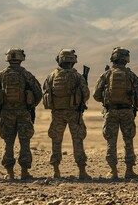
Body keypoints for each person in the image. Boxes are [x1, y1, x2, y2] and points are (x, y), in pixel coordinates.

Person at [0, 48, 42, 180]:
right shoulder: (26, 74)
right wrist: (30, 106)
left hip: (6, 113)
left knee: (8, 142)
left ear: (7, 58)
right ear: (21, 59)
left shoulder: (0, 75)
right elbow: (38, 93)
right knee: (25, 142)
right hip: (23, 113)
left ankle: (10, 173)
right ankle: (24, 172)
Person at [93, 47, 138, 179]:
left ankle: (113, 171)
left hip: (111, 111)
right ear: (126, 59)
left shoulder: (106, 74)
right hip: (127, 111)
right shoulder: (131, 75)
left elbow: (96, 95)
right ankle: (129, 170)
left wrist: (106, 99)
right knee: (128, 140)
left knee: (111, 141)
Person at [43, 49, 91, 179]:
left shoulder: (52, 76)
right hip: (74, 114)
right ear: (73, 61)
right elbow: (86, 94)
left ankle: (56, 170)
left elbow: (46, 92)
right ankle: (82, 171)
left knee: (56, 140)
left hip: (57, 113)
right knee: (78, 140)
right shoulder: (77, 77)